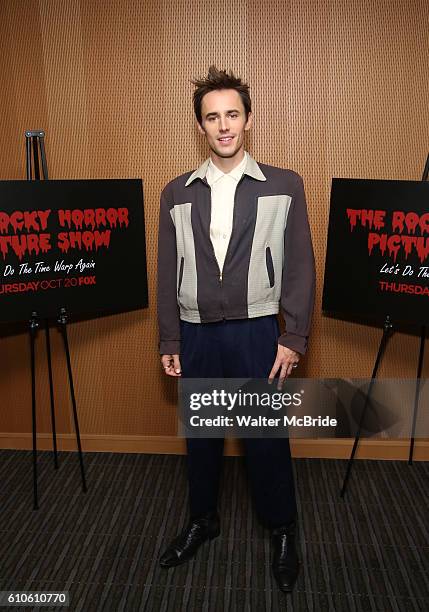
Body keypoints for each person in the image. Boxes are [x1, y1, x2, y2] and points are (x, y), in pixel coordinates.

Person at [157, 66, 315, 593]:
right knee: (201, 437)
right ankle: (203, 519)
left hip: (256, 334)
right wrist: (170, 338)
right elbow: (166, 270)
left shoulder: (285, 185)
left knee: (264, 439)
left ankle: (283, 528)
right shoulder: (176, 193)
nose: (223, 126)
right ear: (199, 126)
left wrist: (293, 337)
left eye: (232, 115)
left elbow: (299, 266)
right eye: (212, 117)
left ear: (248, 121)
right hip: (197, 333)